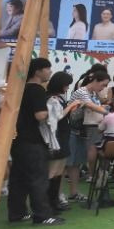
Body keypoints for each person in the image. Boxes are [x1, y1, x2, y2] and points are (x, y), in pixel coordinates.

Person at [8, 58, 64, 226]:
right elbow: (40, 115)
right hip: (33, 140)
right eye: (48, 69)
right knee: (38, 178)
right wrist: (52, 112)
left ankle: (17, 213)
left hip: (18, 140)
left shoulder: (21, 89)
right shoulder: (37, 90)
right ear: (38, 71)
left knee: (18, 178)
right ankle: (42, 215)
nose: (50, 72)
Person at [45, 72, 79, 213]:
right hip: (56, 137)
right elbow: (56, 117)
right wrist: (71, 106)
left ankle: (55, 201)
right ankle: (48, 204)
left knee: (59, 171)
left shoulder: (59, 97)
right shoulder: (52, 98)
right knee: (53, 171)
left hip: (63, 136)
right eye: (66, 85)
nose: (67, 88)